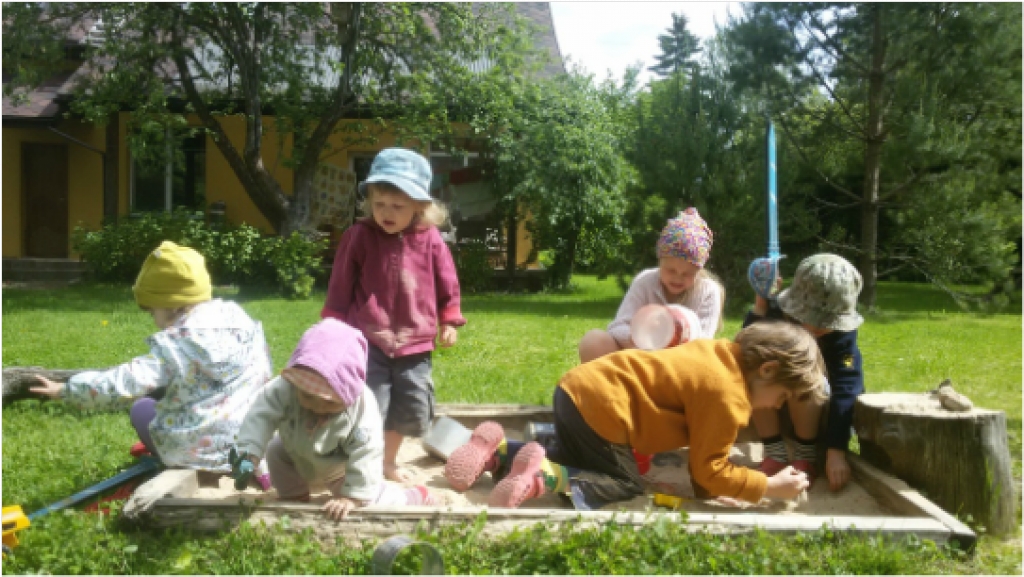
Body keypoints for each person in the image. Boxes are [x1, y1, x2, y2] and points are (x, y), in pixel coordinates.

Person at [445, 321, 823, 510]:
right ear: (768, 370)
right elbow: (709, 469)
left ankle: (499, 450)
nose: (776, 407)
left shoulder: (719, 353)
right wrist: (768, 488)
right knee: (624, 482)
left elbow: (706, 472)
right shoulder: (729, 397)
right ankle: (542, 476)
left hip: (576, 390)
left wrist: (713, 488)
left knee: (579, 456)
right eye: (782, 397)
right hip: (604, 411)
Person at [30, 241, 274, 486]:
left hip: (197, 454)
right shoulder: (241, 322)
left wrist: (67, 390)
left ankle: (190, 462)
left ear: (171, 305)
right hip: (252, 442)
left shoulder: (177, 345)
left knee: (142, 408)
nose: (155, 320)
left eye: (151, 311)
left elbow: (124, 383)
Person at [322, 147, 466, 484]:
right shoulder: (359, 237)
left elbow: (448, 282)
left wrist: (449, 318)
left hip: (415, 344)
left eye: (397, 206)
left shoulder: (430, 240)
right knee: (371, 405)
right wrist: (333, 322)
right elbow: (341, 283)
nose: (386, 213)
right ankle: (363, 461)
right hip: (368, 338)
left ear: (419, 206)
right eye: (379, 204)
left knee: (409, 408)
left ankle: (388, 460)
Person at [230, 319, 437, 520]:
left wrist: (353, 497)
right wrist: (250, 453)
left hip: (340, 465)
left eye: (330, 403)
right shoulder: (285, 387)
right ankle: (294, 497)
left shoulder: (362, 406)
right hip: (296, 451)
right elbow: (261, 416)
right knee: (275, 451)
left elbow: (368, 451)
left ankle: (412, 496)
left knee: (372, 497)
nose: (317, 406)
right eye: (308, 396)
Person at [743, 253, 864, 492]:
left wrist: (836, 449)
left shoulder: (841, 337)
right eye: (812, 318)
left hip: (815, 406)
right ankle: (775, 453)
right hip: (770, 403)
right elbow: (746, 348)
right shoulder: (777, 312)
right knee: (756, 371)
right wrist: (760, 306)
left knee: (806, 377)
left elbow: (847, 384)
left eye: (828, 321)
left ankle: (805, 454)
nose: (819, 327)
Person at [577, 207, 724, 364]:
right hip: (639, 359)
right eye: (670, 270)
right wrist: (644, 337)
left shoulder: (708, 291)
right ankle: (612, 386)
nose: (678, 277)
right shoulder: (645, 281)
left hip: (680, 366)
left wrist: (672, 340)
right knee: (594, 340)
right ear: (660, 262)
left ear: (699, 270)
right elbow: (617, 327)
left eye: (687, 274)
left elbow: (703, 345)